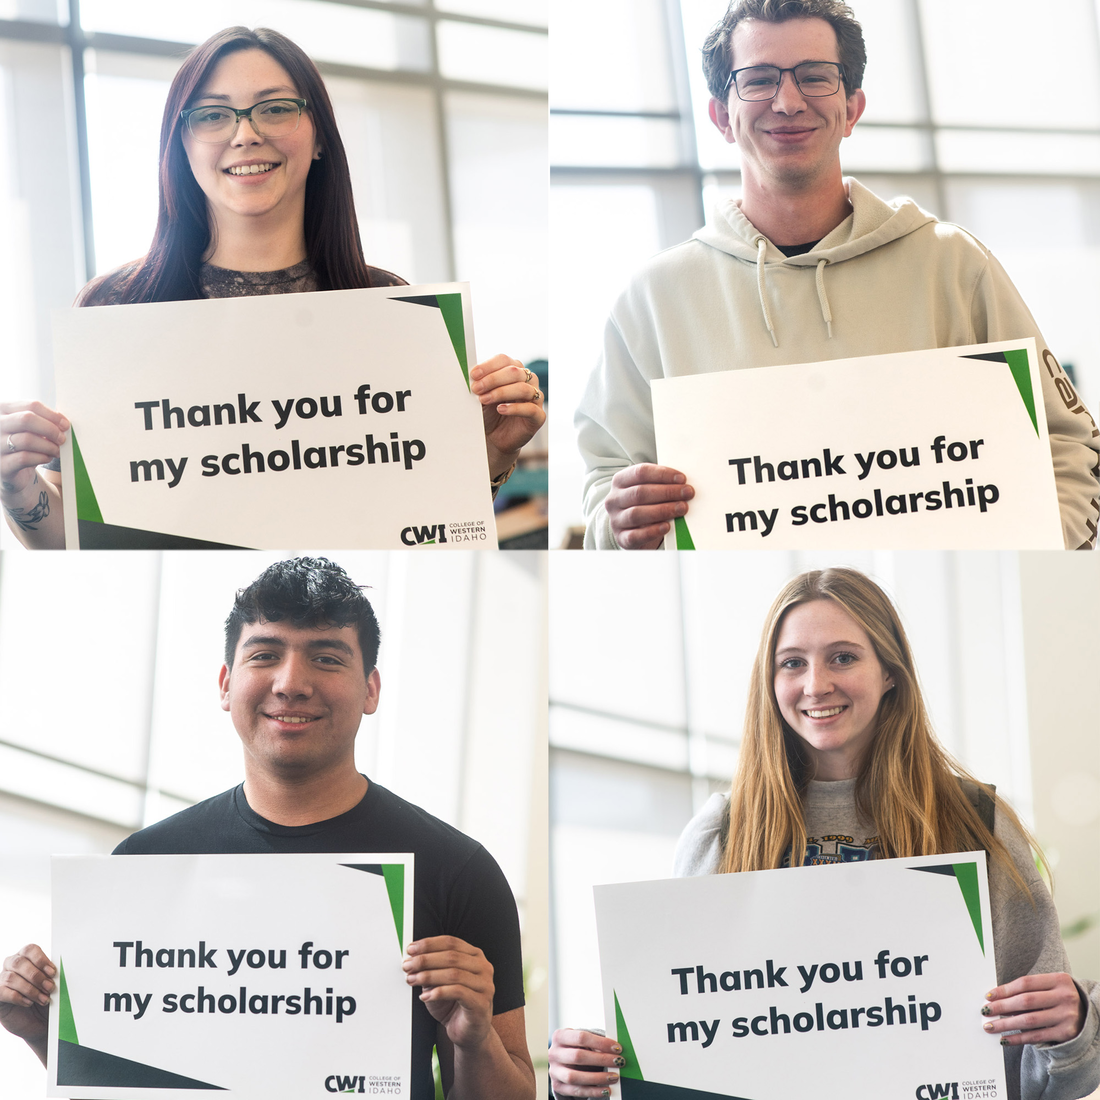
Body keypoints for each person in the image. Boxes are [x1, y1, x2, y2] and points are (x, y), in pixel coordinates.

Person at [548, 568, 1099, 1100]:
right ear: (771, 681)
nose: (816, 684)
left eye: (843, 657)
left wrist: (1073, 1029)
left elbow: (1047, 1077)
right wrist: (590, 1075)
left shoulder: (974, 819)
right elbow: (687, 1045)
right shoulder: (723, 831)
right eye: (792, 663)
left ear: (890, 672)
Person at [0, 557, 536, 1100]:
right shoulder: (144, 864)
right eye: (265, 655)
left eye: (326, 658)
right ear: (226, 685)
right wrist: (44, 1033)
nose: (291, 683)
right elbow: (119, 1085)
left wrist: (474, 1040)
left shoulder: (457, 871)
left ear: (371, 690)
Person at [574, 0, 1100, 550]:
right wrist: (618, 526)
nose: (788, 101)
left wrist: (1041, 552)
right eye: (757, 80)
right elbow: (603, 491)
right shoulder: (655, 300)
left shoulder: (953, 267)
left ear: (852, 108)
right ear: (720, 117)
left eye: (814, 77)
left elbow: (1071, 450)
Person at [0, 25, 545, 549]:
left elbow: (423, 525)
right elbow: (83, 538)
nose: (245, 133)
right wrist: (18, 488)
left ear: (320, 139)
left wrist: (493, 455)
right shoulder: (114, 310)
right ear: (182, 147)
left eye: (276, 107)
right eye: (213, 115)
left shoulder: (392, 309)